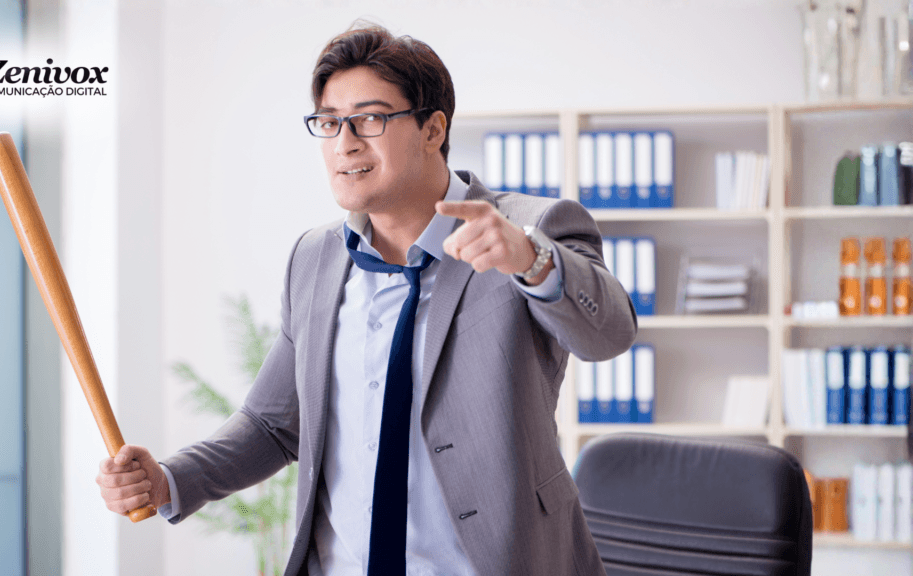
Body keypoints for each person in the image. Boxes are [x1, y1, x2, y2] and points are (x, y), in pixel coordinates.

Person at [97, 23, 636, 576]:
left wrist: (532, 259)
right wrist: (169, 479)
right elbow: (273, 424)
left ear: (433, 129)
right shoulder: (315, 258)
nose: (345, 143)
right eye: (329, 123)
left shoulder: (526, 230)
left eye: (370, 119)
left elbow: (610, 333)